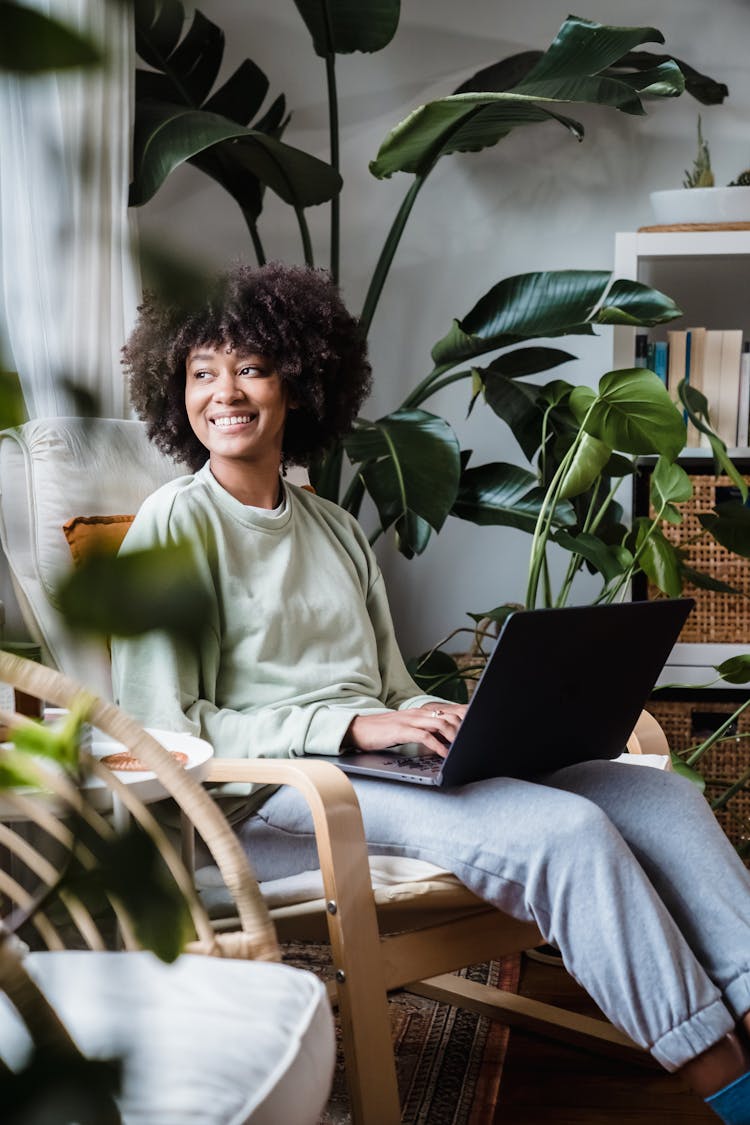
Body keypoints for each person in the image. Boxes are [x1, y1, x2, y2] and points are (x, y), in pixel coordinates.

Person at [113, 261, 750, 1124]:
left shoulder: (333, 528)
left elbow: (392, 686)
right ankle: (727, 1081)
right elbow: (164, 729)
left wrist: (437, 719)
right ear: (176, 390)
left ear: (298, 383)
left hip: (380, 772)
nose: (225, 392)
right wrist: (351, 726)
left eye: (252, 368)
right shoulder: (175, 522)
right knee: (562, 832)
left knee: (657, 796)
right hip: (273, 801)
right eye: (202, 372)